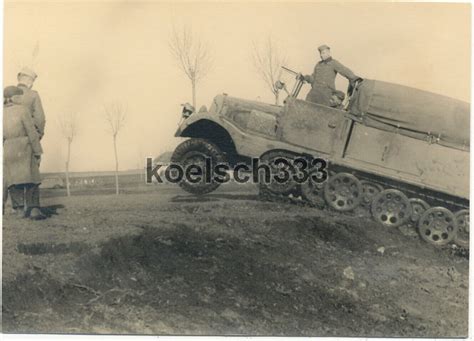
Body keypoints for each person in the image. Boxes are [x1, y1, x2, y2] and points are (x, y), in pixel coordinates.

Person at [3, 86, 45, 219]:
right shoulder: (23, 110)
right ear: (15, 98)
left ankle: (19, 209)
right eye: (20, 96)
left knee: (14, 181)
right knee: (32, 178)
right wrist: (38, 151)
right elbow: (32, 132)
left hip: (9, 149)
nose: (22, 98)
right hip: (25, 147)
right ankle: (33, 209)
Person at [12, 67, 46, 219]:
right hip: (28, 140)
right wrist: (37, 136)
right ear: (29, 81)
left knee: (14, 174)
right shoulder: (32, 95)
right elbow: (40, 119)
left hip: (9, 143)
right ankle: (33, 208)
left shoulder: (7, 96)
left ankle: (18, 209)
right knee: (32, 173)